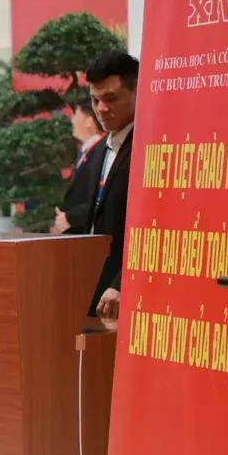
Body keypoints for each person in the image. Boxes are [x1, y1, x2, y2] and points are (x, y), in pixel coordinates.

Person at [63, 52, 138, 320]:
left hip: (126, 294)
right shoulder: (99, 151)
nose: (101, 109)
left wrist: (122, 284)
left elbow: (153, 226)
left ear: (137, 91)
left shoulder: (150, 146)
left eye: (111, 99)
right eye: (95, 100)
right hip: (92, 288)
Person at [52, 101, 104, 236]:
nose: (72, 120)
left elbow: (99, 198)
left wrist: (71, 218)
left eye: (75, 114)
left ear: (89, 121)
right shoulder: (86, 152)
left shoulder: (101, 151)